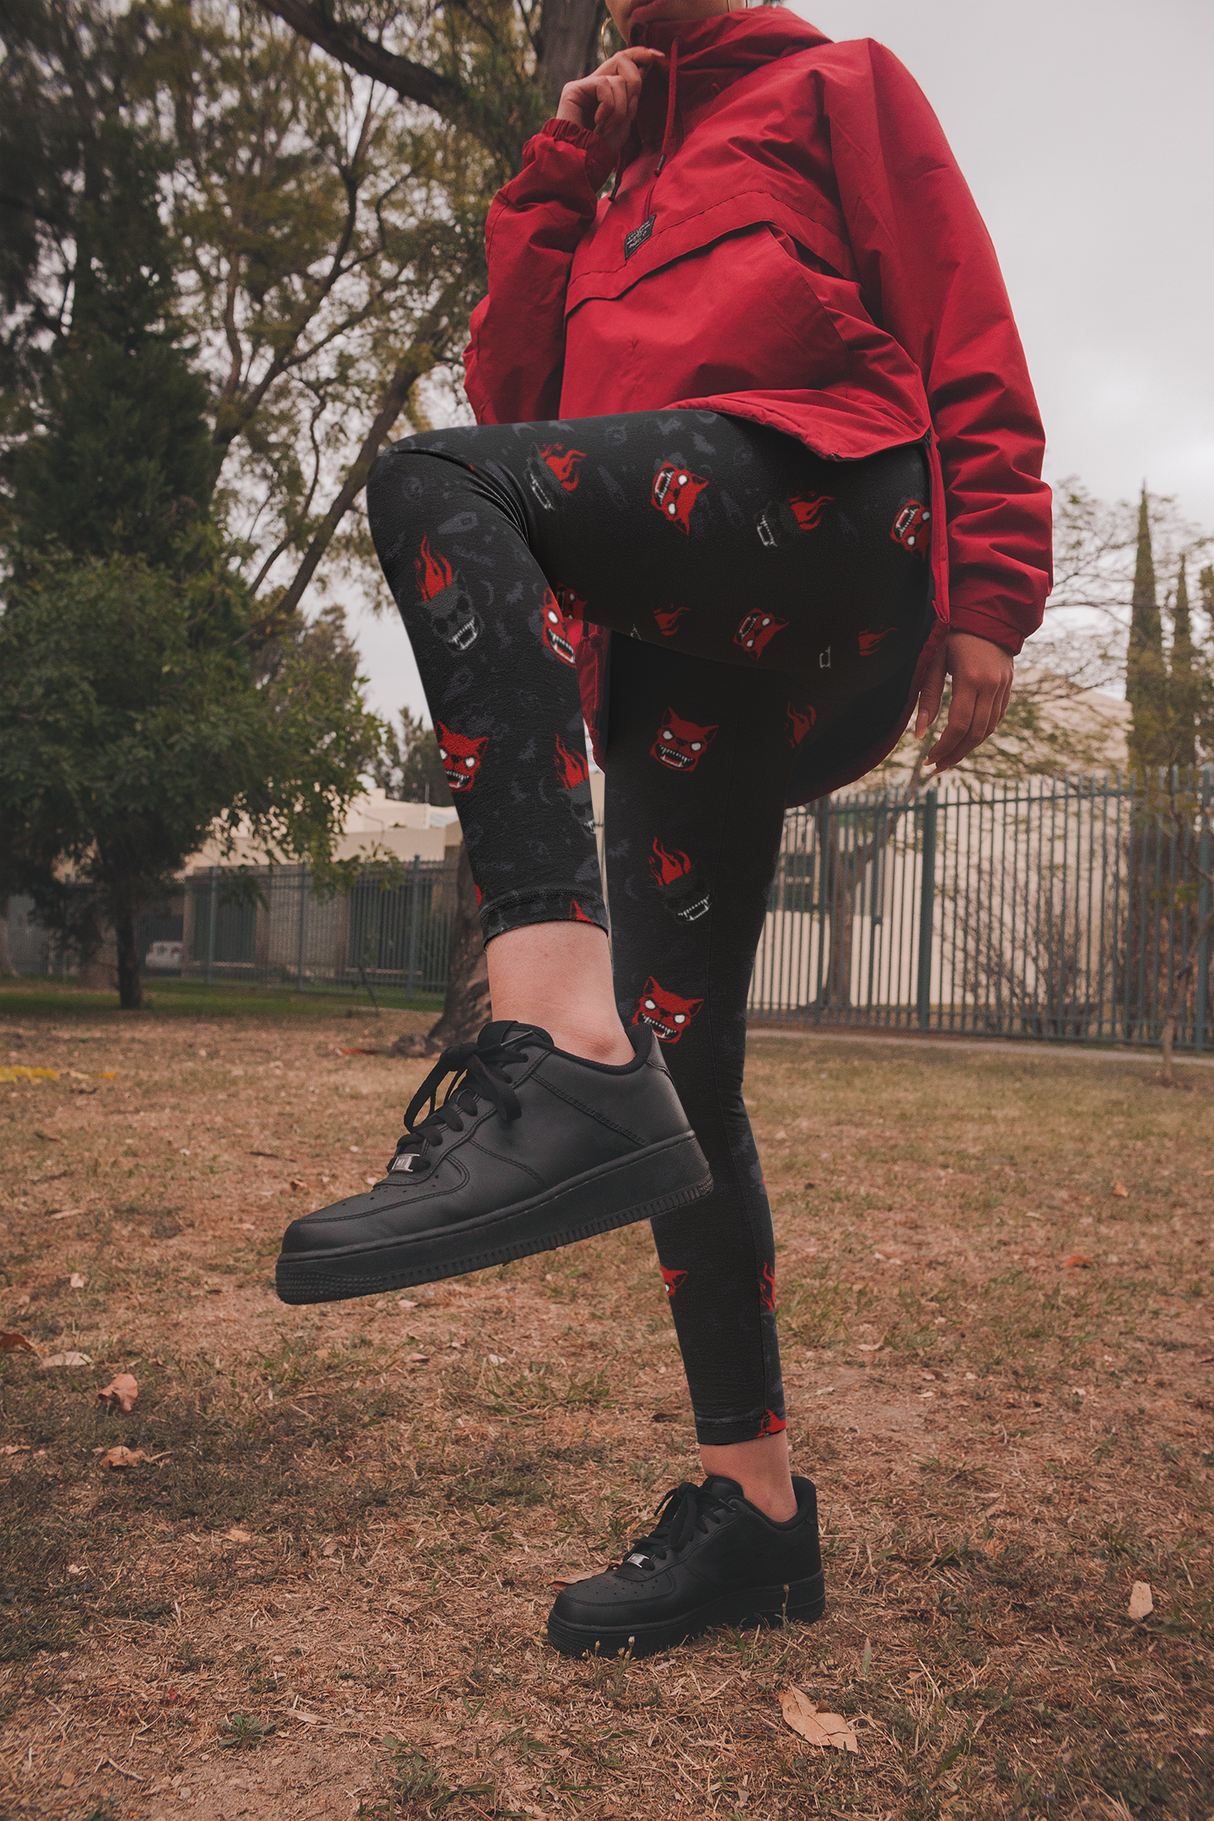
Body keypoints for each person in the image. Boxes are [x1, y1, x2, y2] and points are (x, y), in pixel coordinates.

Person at [276, 0, 1051, 1659]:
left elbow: (959, 311)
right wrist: (561, 174)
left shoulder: (830, 85)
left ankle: (550, 1030)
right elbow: (519, 402)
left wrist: (991, 586)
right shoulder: (607, 176)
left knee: (428, 484)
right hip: (680, 648)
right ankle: (752, 1515)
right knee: (680, 1072)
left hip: (834, 506)